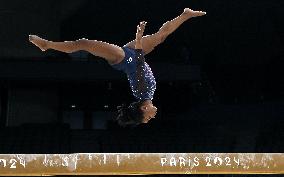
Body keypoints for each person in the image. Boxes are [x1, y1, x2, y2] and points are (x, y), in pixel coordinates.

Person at [29, 8, 206, 127]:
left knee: (83, 43)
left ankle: (47, 45)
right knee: (161, 36)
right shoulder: (147, 93)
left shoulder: (142, 90)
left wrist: (138, 37)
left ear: (144, 109)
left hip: (124, 59)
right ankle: (185, 14)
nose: (153, 116)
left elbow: (138, 62)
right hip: (133, 56)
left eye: (149, 117)